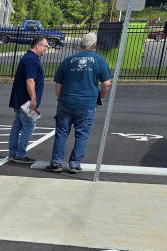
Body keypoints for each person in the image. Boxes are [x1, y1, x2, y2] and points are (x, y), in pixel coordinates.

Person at [43, 33, 112, 175]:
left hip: (66, 101)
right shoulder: (99, 60)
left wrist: (59, 97)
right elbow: (106, 83)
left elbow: (58, 84)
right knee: (82, 134)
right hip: (86, 103)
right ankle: (74, 164)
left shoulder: (68, 60)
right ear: (94, 46)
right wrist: (101, 96)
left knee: (61, 133)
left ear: (82, 44)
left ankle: (56, 162)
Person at [7, 36, 48, 163]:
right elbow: (30, 80)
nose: (46, 49)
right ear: (38, 45)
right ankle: (19, 155)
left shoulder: (29, 58)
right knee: (30, 126)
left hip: (20, 100)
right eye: (45, 46)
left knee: (17, 125)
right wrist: (34, 99)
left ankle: (13, 153)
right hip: (25, 101)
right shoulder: (31, 59)